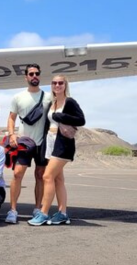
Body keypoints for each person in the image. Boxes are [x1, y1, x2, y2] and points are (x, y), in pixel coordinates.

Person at [28, 75, 85, 226]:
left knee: (47, 176)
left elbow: (81, 120)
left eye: (60, 83)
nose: (57, 85)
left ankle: (44, 213)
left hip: (63, 144)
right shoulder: (52, 103)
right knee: (58, 179)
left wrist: (61, 116)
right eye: (54, 83)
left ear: (65, 85)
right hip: (51, 142)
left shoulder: (70, 102)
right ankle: (62, 214)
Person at [5, 63, 51, 224]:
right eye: (31, 74)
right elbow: (11, 118)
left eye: (36, 73)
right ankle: (13, 210)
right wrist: (11, 135)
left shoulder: (48, 97)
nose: (34, 76)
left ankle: (37, 208)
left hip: (42, 143)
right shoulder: (18, 97)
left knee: (40, 175)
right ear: (26, 77)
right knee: (17, 174)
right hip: (24, 142)